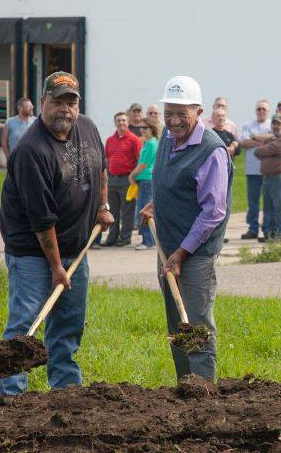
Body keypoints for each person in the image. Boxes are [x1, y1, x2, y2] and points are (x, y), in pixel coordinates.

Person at [0, 72, 113, 395]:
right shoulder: (31, 152)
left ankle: (65, 391)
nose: (65, 109)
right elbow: (41, 220)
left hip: (76, 248)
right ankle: (12, 395)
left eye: (71, 102)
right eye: (57, 102)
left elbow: (102, 167)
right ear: (43, 103)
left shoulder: (87, 127)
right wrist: (55, 267)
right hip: (33, 254)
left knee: (68, 323)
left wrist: (103, 206)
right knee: (26, 324)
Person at [140, 75, 232, 381]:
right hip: (167, 246)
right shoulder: (167, 137)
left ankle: (203, 395)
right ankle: (185, 389)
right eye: (170, 113)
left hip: (195, 254)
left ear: (199, 112)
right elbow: (168, 179)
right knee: (176, 325)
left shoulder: (211, 151)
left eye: (183, 113)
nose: (175, 120)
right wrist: (157, 203)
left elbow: (213, 212)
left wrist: (180, 254)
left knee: (196, 325)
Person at [103, 112, 143, 247]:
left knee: (127, 212)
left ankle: (125, 238)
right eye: (118, 121)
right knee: (112, 211)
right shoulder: (110, 140)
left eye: (124, 121)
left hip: (127, 179)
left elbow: (140, 160)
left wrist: (134, 177)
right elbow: (107, 159)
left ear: (128, 122)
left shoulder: (134, 139)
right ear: (115, 123)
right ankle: (112, 238)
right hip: (112, 180)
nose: (121, 123)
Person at [255, 113, 281, 242]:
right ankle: (268, 233)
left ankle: (279, 234)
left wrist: (267, 152)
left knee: (279, 207)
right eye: (274, 123)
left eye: (279, 123)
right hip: (267, 178)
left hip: (279, 177)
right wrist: (269, 152)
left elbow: (266, 150)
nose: (276, 126)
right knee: (267, 207)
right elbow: (258, 153)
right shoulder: (269, 140)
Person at [238, 100, 272, 239]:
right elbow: (243, 143)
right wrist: (264, 141)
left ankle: (267, 229)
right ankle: (252, 229)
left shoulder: (272, 125)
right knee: (253, 203)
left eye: (264, 109)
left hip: (268, 171)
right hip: (252, 170)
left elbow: (276, 139)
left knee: (268, 202)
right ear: (255, 110)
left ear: (268, 111)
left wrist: (254, 138)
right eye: (259, 109)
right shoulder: (247, 125)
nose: (261, 111)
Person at [129, 117, 160, 250]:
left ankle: (148, 241)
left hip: (147, 178)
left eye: (145, 127)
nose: (141, 130)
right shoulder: (148, 143)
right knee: (143, 207)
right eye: (140, 127)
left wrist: (132, 174)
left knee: (144, 209)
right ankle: (148, 239)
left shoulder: (152, 143)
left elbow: (144, 164)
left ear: (152, 129)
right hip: (145, 179)